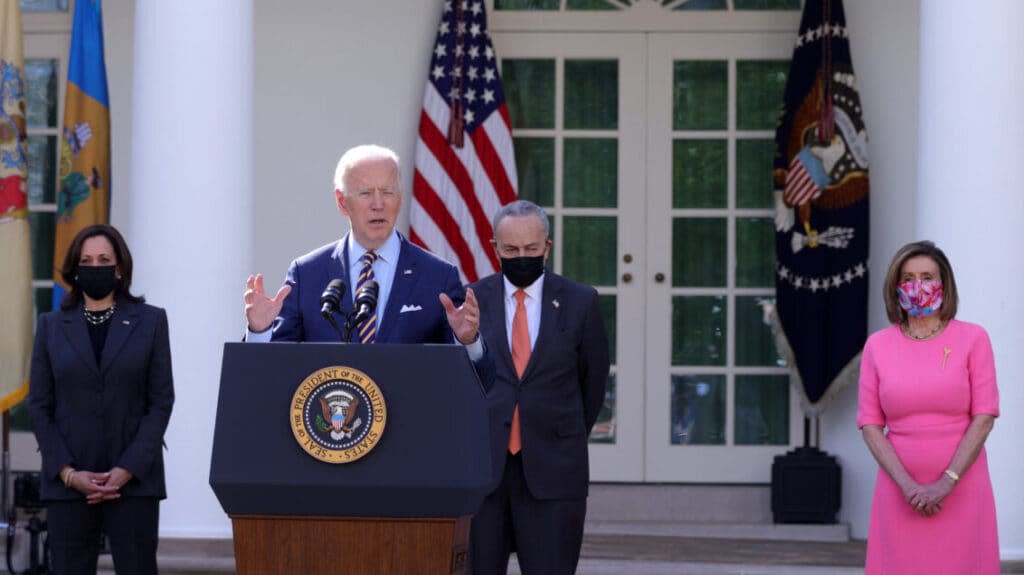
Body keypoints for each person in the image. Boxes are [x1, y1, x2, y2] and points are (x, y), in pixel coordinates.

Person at [242, 145, 492, 376]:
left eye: (387, 192)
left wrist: (467, 342)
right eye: (365, 193)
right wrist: (261, 332)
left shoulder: (438, 276)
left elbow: (479, 381)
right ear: (342, 202)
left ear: (400, 197)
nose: (378, 204)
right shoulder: (307, 274)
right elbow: (271, 372)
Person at [469, 200, 610, 574]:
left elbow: (592, 383)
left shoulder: (581, 302)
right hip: (483, 472)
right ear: (494, 247)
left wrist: (558, 428)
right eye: (511, 250)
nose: (522, 257)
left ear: (547, 247)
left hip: (554, 467)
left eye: (531, 249)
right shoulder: (470, 302)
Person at [28, 224, 174, 575]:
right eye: (87, 260)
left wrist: (127, 470)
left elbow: (161, 401)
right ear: (75, 269)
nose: (96, 267)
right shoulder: (50, 326)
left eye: (104, 260)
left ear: (120, 267)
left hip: (134, 483)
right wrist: (67, 472)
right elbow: (38, 405)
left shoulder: (151, 321)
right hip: (69, 483)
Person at [857, 240, 999, 574]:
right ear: (895, 287)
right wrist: (908, 486)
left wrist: (946, 482)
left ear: (944, 285)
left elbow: (984, 417)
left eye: (927, 276)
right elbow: (870, 424)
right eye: (908, 278)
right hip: (898, 491)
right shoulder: (877, 346)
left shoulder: (973, 339)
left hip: (962, 488)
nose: (917, 286)